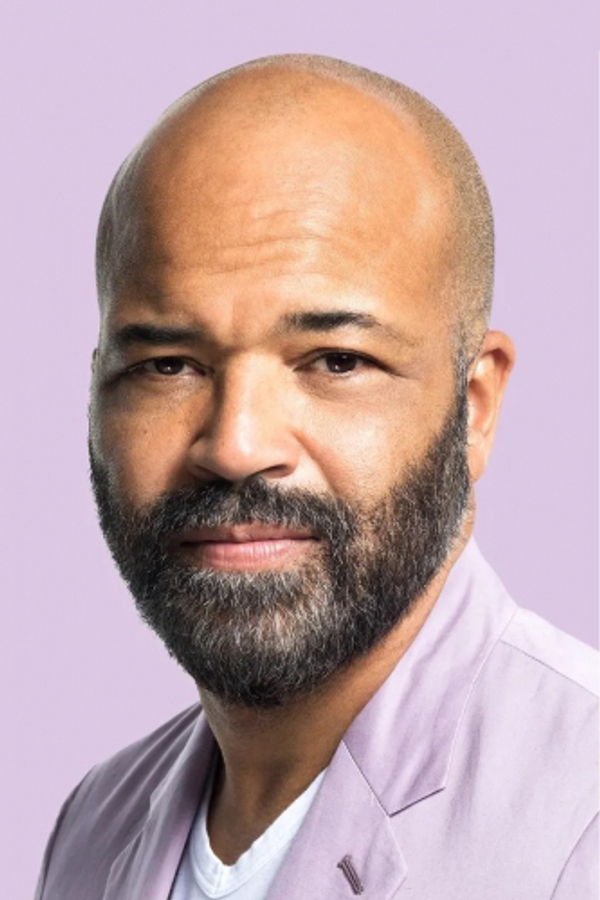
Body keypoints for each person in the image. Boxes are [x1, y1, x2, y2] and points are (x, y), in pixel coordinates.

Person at [35, 54, 597, 900]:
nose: (236, 445)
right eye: (167, 365)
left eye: (336, 360)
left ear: (474, 406)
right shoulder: (92, 827)